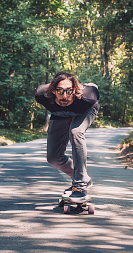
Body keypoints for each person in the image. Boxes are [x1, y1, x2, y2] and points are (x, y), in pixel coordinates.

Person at [35, 72, 99, 203]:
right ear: (53, 91)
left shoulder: (87, 97)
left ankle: (79, 186)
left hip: (84, 110)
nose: (65, 96)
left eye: (69, 91)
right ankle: (84, 177)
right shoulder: (42, 95)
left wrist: (87, 87)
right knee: (53, 158)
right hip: (60, 114)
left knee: (76, 131)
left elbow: (94, 87)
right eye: (60, 91)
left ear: (74, 90)